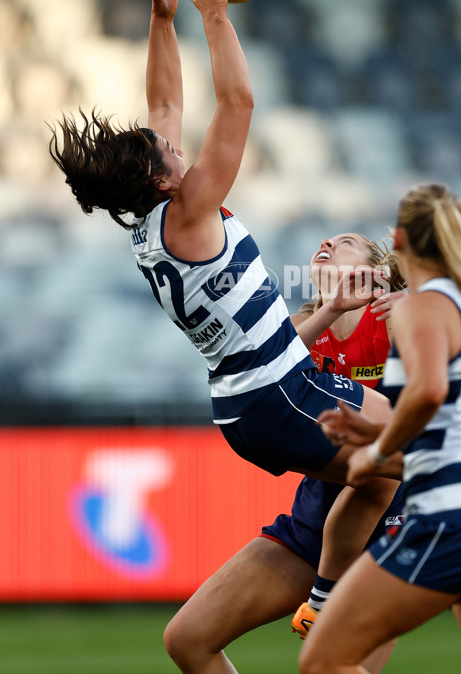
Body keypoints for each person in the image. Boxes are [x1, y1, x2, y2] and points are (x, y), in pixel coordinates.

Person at [47, 0, 403, 644]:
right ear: (161, 179)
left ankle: (358, 588)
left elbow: (165, 103)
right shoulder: (190, 211)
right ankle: (337, 598)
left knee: (403, 442)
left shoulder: (154, 218)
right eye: (168, 152)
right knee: (402, 459)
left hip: (253, 397)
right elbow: (239, 102)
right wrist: (214, 14)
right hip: (281, 392)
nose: (175, 145)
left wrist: (162, 20)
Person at [299, 182, 461, 674]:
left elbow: (429, 393)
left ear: (398, 242)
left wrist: (377, 453)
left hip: (451, 516)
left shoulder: (416, 307)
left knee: (324, 660)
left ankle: (321, 596)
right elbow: (452, 417)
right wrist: (371, 434)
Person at [162, 231, 407, 673]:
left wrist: (422, 312)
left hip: (389, 536)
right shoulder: (298, 327)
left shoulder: (399, 318)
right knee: (187, 639)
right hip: (314, 524)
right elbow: (266, 368)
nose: (328, 242)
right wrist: (332, 309)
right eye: (328, 240)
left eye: (347, 242)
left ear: (376, 271)